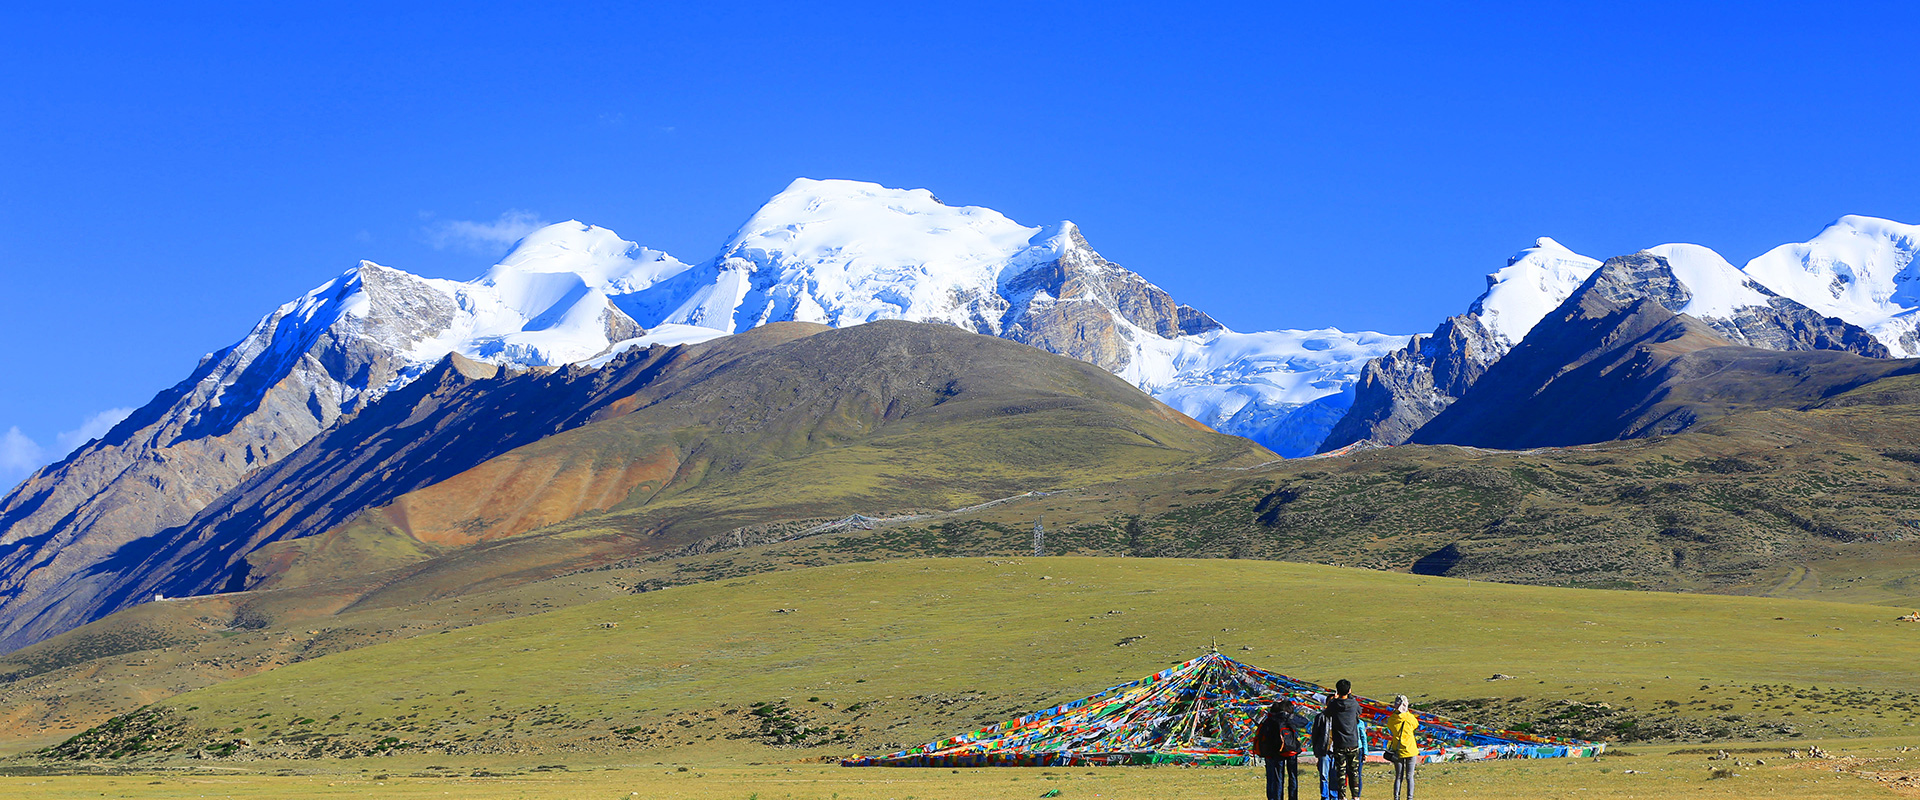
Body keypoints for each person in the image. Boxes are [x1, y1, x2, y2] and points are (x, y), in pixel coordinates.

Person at [1251, 699, 1304, 800]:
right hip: (1292, 751)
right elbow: (1304, 722)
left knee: (1277, 779)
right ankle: (1293, 797)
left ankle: (1277, 797)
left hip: (1277, 752)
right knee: (1293, 777)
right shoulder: (1288, 719)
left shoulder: (1270, 721)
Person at [1325, 679, 1363, 800]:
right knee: (1354, 771)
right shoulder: (1354, 704)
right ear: (1350, 690)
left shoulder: (1334, 705)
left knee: (1340, 771)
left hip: (1339, 743)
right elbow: (1359, 712)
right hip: (1353, 742)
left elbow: (1327, 713)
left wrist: (1335, 699)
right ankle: (1355, 796)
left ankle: (1342, 796)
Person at [1386, 695, 1419, 800]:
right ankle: (1410, 797)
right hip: (1411, 750)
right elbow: (1415, 725)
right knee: (1410, 776)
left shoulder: (1392, 719)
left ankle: (1396, 797)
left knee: (1398, 776)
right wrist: (1407, 712)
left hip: (1397, 750)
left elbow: (1390, 728)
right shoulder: (1410, 718)